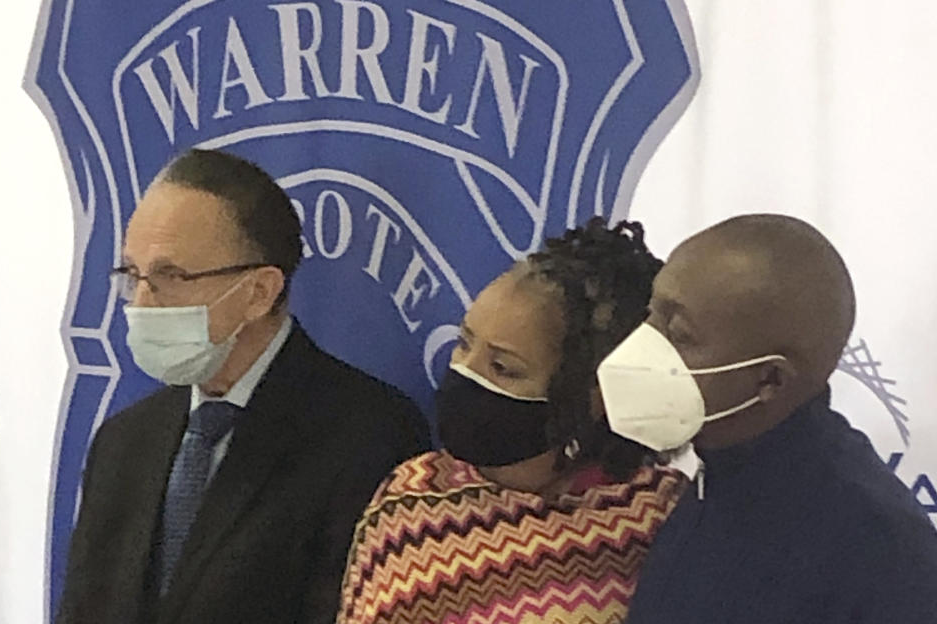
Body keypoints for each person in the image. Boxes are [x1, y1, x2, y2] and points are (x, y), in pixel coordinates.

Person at [56, 149, 430, 624]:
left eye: (171, 276)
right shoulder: (124, 440)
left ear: (259, 292)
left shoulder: (370, 438)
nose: (143, 303)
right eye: (133, 275)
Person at [337, 218, 686, 624]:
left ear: (592, 393)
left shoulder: (658, 515)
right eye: (464, 344)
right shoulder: (411, 496)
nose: (466, 372)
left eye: (503, 367)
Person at [596, 214, 937, 623]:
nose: (642, 346)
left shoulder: (879, 552)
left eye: (680, 334)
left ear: (770, 379)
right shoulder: (719, 470)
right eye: (651, 315)